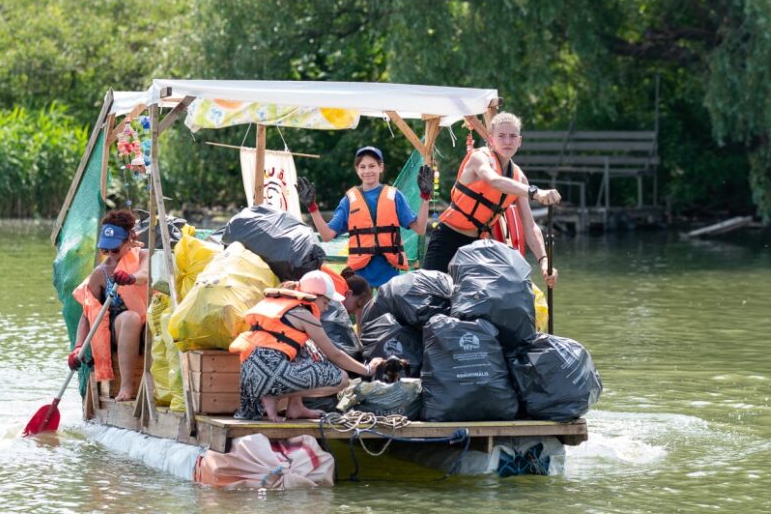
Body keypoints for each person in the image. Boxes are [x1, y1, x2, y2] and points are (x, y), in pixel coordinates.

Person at [421, 112, 561, 287]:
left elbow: (530, 226)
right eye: (501, 136)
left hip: (477, 246)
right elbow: (494, 181)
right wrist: (534, 192)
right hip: (447, 237)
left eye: (512, 136)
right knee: (431, 294)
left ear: (520, 141)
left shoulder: (520, 178)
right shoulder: (479, 158)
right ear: (491, 139)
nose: (507, 141)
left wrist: (544, 262)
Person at [231, 270, 385, 421]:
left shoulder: (278, 304)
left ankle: (295, 407)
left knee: (307, 348)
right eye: (325, 302)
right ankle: (272, 396)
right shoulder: (304, 315)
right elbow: (334, 354)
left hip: (248, 379)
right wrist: (367, 370)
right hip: (269, 377)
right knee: (342, 379)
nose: (326, 308)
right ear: (314, 296)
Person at [297, 146, 433, 288]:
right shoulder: (349, 200)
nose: (367, 171)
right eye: (362, 167)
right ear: (357, 170)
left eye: (372, 166)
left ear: (381, 168)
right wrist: (312, 207)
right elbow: (326, 235)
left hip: (389, 276)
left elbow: (420, 228)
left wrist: (425, 198)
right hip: (360, 279)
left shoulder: (394, 196)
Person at [70, 209, 149, 402]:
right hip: (118, 329)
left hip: (147, 322)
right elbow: (86, 315)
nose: (111, 255)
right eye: (106, 250)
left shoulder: (144, 256)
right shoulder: (100, 273)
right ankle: (126, 387)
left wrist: (131, 278)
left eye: (115, 249)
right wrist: (78, 347)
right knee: (130, 318)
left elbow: (146, 274)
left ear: (130, 239)